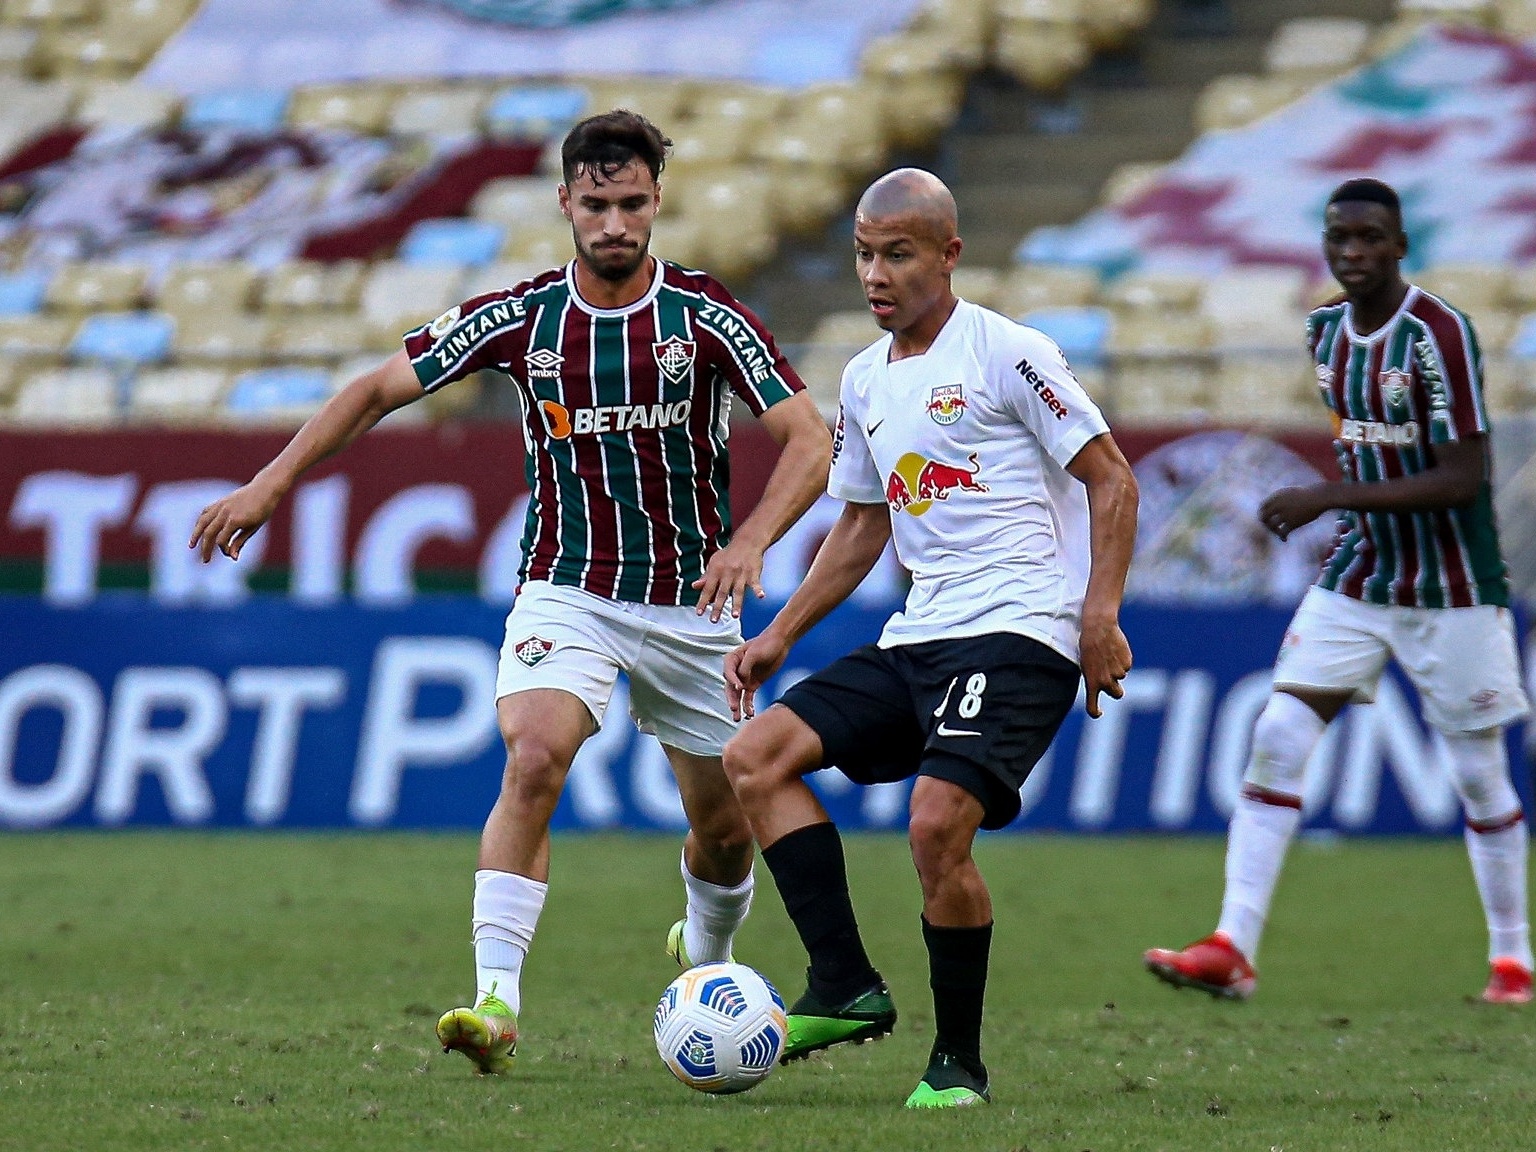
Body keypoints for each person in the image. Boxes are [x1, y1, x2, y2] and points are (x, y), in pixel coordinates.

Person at [189, 110, 833, 1073]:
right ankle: (495, 1001)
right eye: (596, 204)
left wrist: (749, 540)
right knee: (534, 757)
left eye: (631, 203)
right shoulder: (522, 317)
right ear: (565, 203)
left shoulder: (705, 317)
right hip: (565, 588)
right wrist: (271, 482)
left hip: (692, 605)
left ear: (655, 202)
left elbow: (810, 441)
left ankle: (705, 961)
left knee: (723, 827)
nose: (614, 222)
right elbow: (375, 389)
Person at [720, 168, 1139, 1109]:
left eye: (897, 254)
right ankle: (844, 985)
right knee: (755, 757)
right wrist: (780, 634)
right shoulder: (866, 377)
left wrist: (1097, 613)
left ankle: (958, 1063)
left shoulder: (1010, 353)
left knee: (935, 825)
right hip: (922, 635)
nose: (876, 272)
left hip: (1020, 631)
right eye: (865, 253)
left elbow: (1113, 480)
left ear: (948, 256)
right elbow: (864, 524)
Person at [1144, 178, 1532, 1005]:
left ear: (1399, 246)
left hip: (1453, 585)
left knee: (1478, 775)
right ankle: (1231, 947)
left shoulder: (1438, 334)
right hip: (1360, 574)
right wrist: (1339, 503)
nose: (1353, 254)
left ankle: (1512, 960)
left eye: (1370, 239)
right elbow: (1368, 452)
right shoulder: (1324, 332)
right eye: (1340, 239)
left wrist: (1327, 496)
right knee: (1279, 731)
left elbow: (1463, 478)